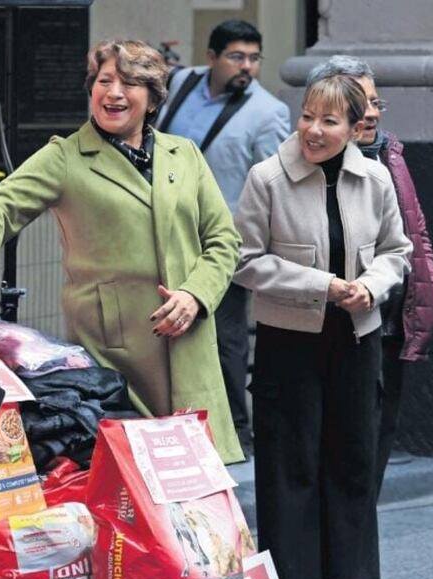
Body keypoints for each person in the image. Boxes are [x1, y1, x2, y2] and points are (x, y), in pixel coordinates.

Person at [0, 38, 244, 463]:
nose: (115, 93)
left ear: (153, 96)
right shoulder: (67, 157)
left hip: (188, 338)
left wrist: (196, 295)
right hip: (112, 347)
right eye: (105, 80)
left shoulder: (185, 155)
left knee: (194, 479)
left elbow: (223, 240)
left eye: (130, 83)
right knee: (127, 480)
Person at [234, 73, 413, 579]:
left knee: (354, 467)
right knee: (291, 471)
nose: (313, 129)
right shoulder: (267, 178)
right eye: (308, 115)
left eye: (329, 121)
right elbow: (245, 260)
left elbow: (397, 251)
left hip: (357, 339)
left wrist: (372, 285)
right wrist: (323, 285)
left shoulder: (376, 177)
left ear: (357, 127)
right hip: (290, 341)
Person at [306, 55, 433, 579]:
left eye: (374, 101)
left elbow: (414, 238)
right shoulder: (317, 165)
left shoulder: (390, 153)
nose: (369, 112)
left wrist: (426, 303)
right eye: (357, 102)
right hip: (336, 329)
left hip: (390, 327)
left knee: (368, 463)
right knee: (328, 460)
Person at [157, 19, 291, 456]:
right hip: (164, 236)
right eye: (236, 56)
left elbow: (273, 184)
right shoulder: (180, 82)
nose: (247, 67)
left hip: (223, 245)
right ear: (211, 57)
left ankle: (237, 435)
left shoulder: (267, 111)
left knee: (226, 340)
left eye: (254, 58)